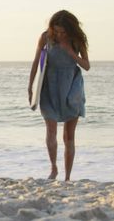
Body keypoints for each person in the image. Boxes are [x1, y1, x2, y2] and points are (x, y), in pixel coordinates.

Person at [27, 10, 89, 181]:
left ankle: (68, 177)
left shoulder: (77, 40)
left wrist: (70, 51)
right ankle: (54, 168)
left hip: (71, 87)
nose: (60, 34)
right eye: (57, 31)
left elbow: (86, 65)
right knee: (51, 130)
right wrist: (30, 86)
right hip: (49, 86)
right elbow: (36, 62)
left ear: (70, 29)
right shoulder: (46, 37)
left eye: (63, 32)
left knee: (69, 135)